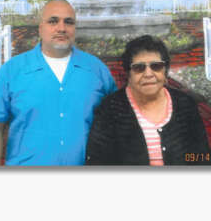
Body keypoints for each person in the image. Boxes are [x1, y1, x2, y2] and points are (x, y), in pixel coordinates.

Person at [0, 0, 117, 166]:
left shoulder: (96, 70)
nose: (61, 28)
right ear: (40, 28)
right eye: (53, 21)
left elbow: (116, 120)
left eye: (69, 22)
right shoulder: (12, 70)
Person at [86, 35, 211, 165]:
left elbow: (201, 157)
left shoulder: (185, 104)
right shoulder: (110, 109)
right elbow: (98, 163)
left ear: (165, 71)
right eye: (139, 68)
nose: (148, 74)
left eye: (156, 66)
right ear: (128, 74)